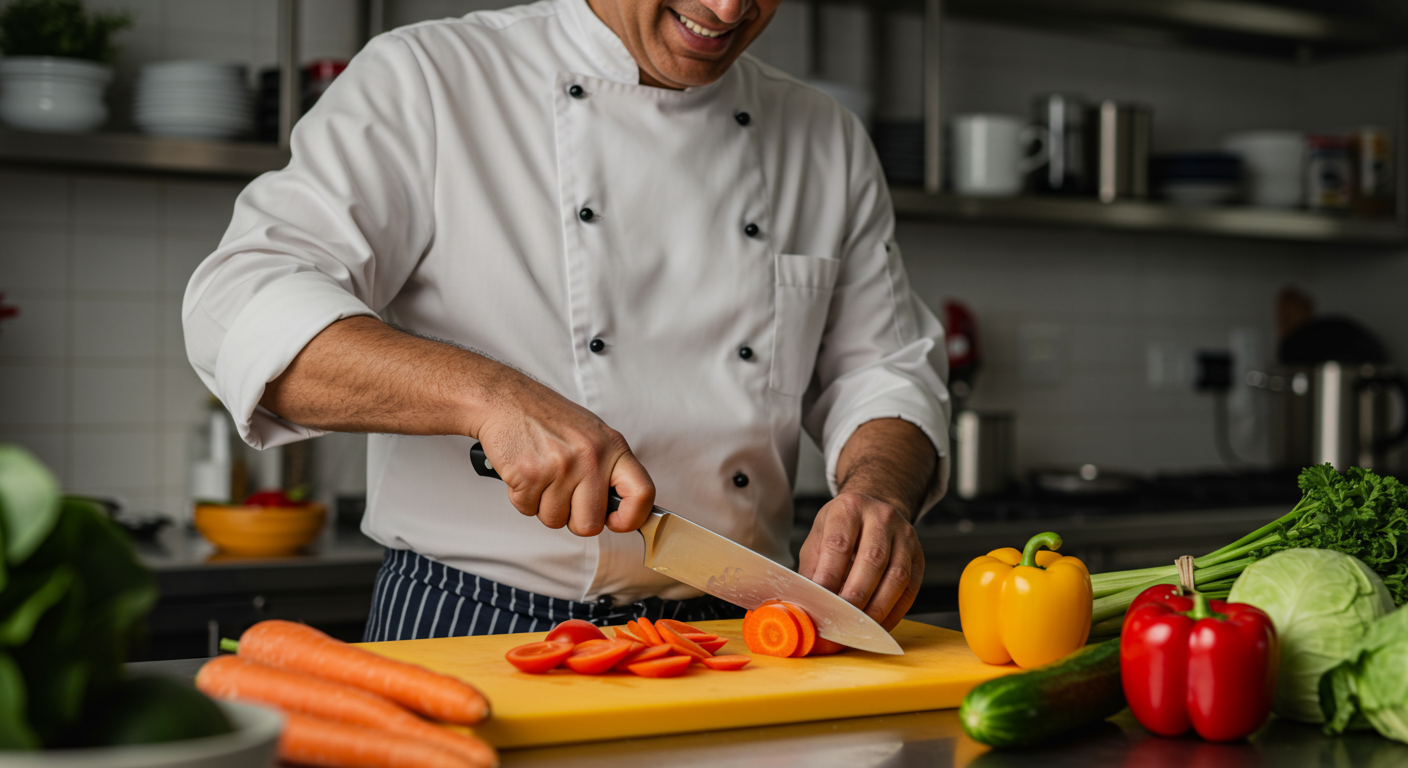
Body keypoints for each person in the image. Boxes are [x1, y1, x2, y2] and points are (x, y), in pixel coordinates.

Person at [183, 0, 950, 640]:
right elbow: (242, 302)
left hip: (736, 630)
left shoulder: (826, 138)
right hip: (473, 623)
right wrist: (489, 399)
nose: (726, 9)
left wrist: (879, 492)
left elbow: (884, 368)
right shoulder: (430, 80)